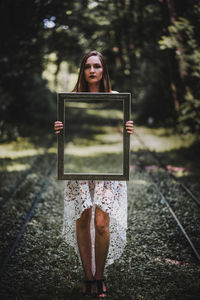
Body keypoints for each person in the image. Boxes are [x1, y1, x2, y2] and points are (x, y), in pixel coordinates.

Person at [54, 50, 134, 299]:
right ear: (82, 70)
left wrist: (127, 128)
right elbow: (72, 134)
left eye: (97, 66)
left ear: (103, 71)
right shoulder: (72, 99)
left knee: (101, 223)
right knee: (82, 220)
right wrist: (60, 129)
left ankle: (100, 276)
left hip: (107, 167)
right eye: (88, 66)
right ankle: (87, 277)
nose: (92, 70)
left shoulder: (116, 99)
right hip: (78, 165)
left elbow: (115, 133)